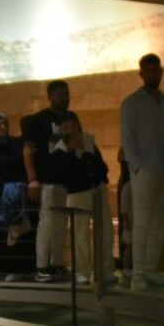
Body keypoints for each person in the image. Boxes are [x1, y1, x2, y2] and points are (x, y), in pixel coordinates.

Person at [120, 53, 164, 290]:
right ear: (141, 74)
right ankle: (139, 273)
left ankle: (150, 269)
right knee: (142, 222)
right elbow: (128, 138)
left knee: (160, 222)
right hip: (144, 170)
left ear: (161, 72)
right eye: (148, 71)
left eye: (156, 70)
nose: (153, 75)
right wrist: (137, 167)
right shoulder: (132, 103)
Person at [49, 114, 112, 285]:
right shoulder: (59, 150)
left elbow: (102, 167)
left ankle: (106, 270)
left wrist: (85, 151)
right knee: (80, 234)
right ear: (61, 131)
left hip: (98, 190)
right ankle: (82, 271)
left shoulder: (88, 142)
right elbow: (62, 174)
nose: (71, 131)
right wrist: (71, 151)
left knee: (105, 231)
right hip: (77, 194)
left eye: (73, 127)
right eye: (66, 128)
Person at [25, 80, 74, 282]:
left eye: (66, 94)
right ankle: (41, 266)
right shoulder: (39, 119)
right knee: (46, 223)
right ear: (50, 96)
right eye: (60, 94)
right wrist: (32, 180)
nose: (64, 98)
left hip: (67, 181)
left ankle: (57, 263)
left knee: (61, 225)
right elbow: (28, 150)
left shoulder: (72, 117)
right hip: (47, 180)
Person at [0, 111, 32, 279]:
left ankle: (24, 269)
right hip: (4, 197)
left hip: (22, 194)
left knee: (23, 232)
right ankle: (6, 269)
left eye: (5, 123)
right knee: (6, 234)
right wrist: (6, 194)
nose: (3, 127)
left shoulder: (16, 143)